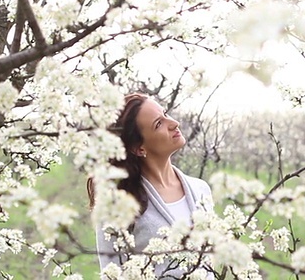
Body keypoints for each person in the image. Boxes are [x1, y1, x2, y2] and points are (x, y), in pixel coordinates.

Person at [87, 93, 214, 278]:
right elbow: (111, 273)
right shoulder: (117, 206)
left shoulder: (201, 190)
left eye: (166, 114)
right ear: (139, 148)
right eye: (158, 124)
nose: (174, 123)